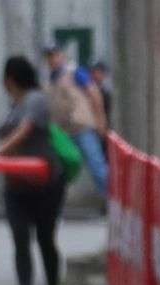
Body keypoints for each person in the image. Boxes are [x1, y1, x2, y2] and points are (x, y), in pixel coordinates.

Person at [0, 56, 66, 285]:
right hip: (16, 183)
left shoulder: (36, 100)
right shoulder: (14, 105)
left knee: (44, 238)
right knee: (20, 238)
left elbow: (24, 132)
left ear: (9, 79)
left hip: (45, 182)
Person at [45, 43, 108, 196]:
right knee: (59, 169)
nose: (52, 59)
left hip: (81, 127)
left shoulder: (75, 72)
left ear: (61, 55)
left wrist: (100, 120)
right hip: (62, 131)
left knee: (97, 166)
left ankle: (111, 201)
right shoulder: (51, 78)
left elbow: (94, 93)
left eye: (55, 55)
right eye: (49, 56)